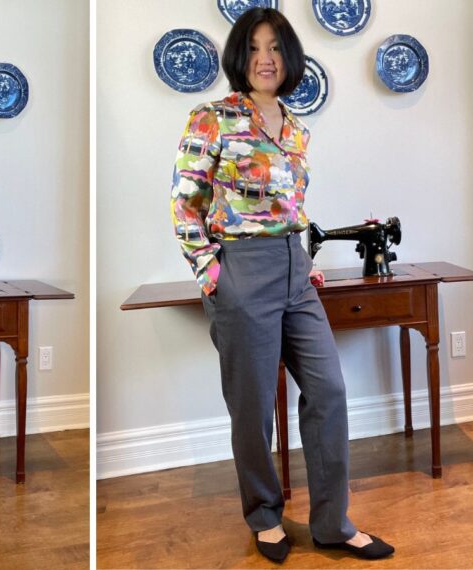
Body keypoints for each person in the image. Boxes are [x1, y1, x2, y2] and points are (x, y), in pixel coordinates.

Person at [170, 8, 394, 563]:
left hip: (294, 272)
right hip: (240, 272)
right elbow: (185, 204)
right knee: (252, 409)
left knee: (329, 390)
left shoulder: (296, 128)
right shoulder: (211, 118)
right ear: (238, 58)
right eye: (253, 48)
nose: (264, 59)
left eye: (274, 48)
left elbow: (290, 207)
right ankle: (264, 515)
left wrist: (302, 259)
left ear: (289, 58)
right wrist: (212, 273)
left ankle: (331, 524)